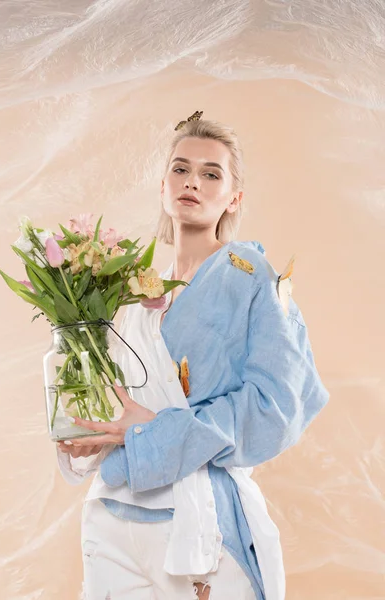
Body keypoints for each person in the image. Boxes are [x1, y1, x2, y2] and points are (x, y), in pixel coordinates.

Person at [56, 115, 330, 600]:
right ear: (163, 186)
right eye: (181, 170)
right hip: (112, 522)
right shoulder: (127, 297)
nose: (193, 182)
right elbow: (115, 409)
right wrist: (86, 435)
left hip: (198, 524)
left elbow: (277, 407)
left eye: (211, 174)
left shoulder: (253, 279)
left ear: (233, 198)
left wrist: (153, 430)